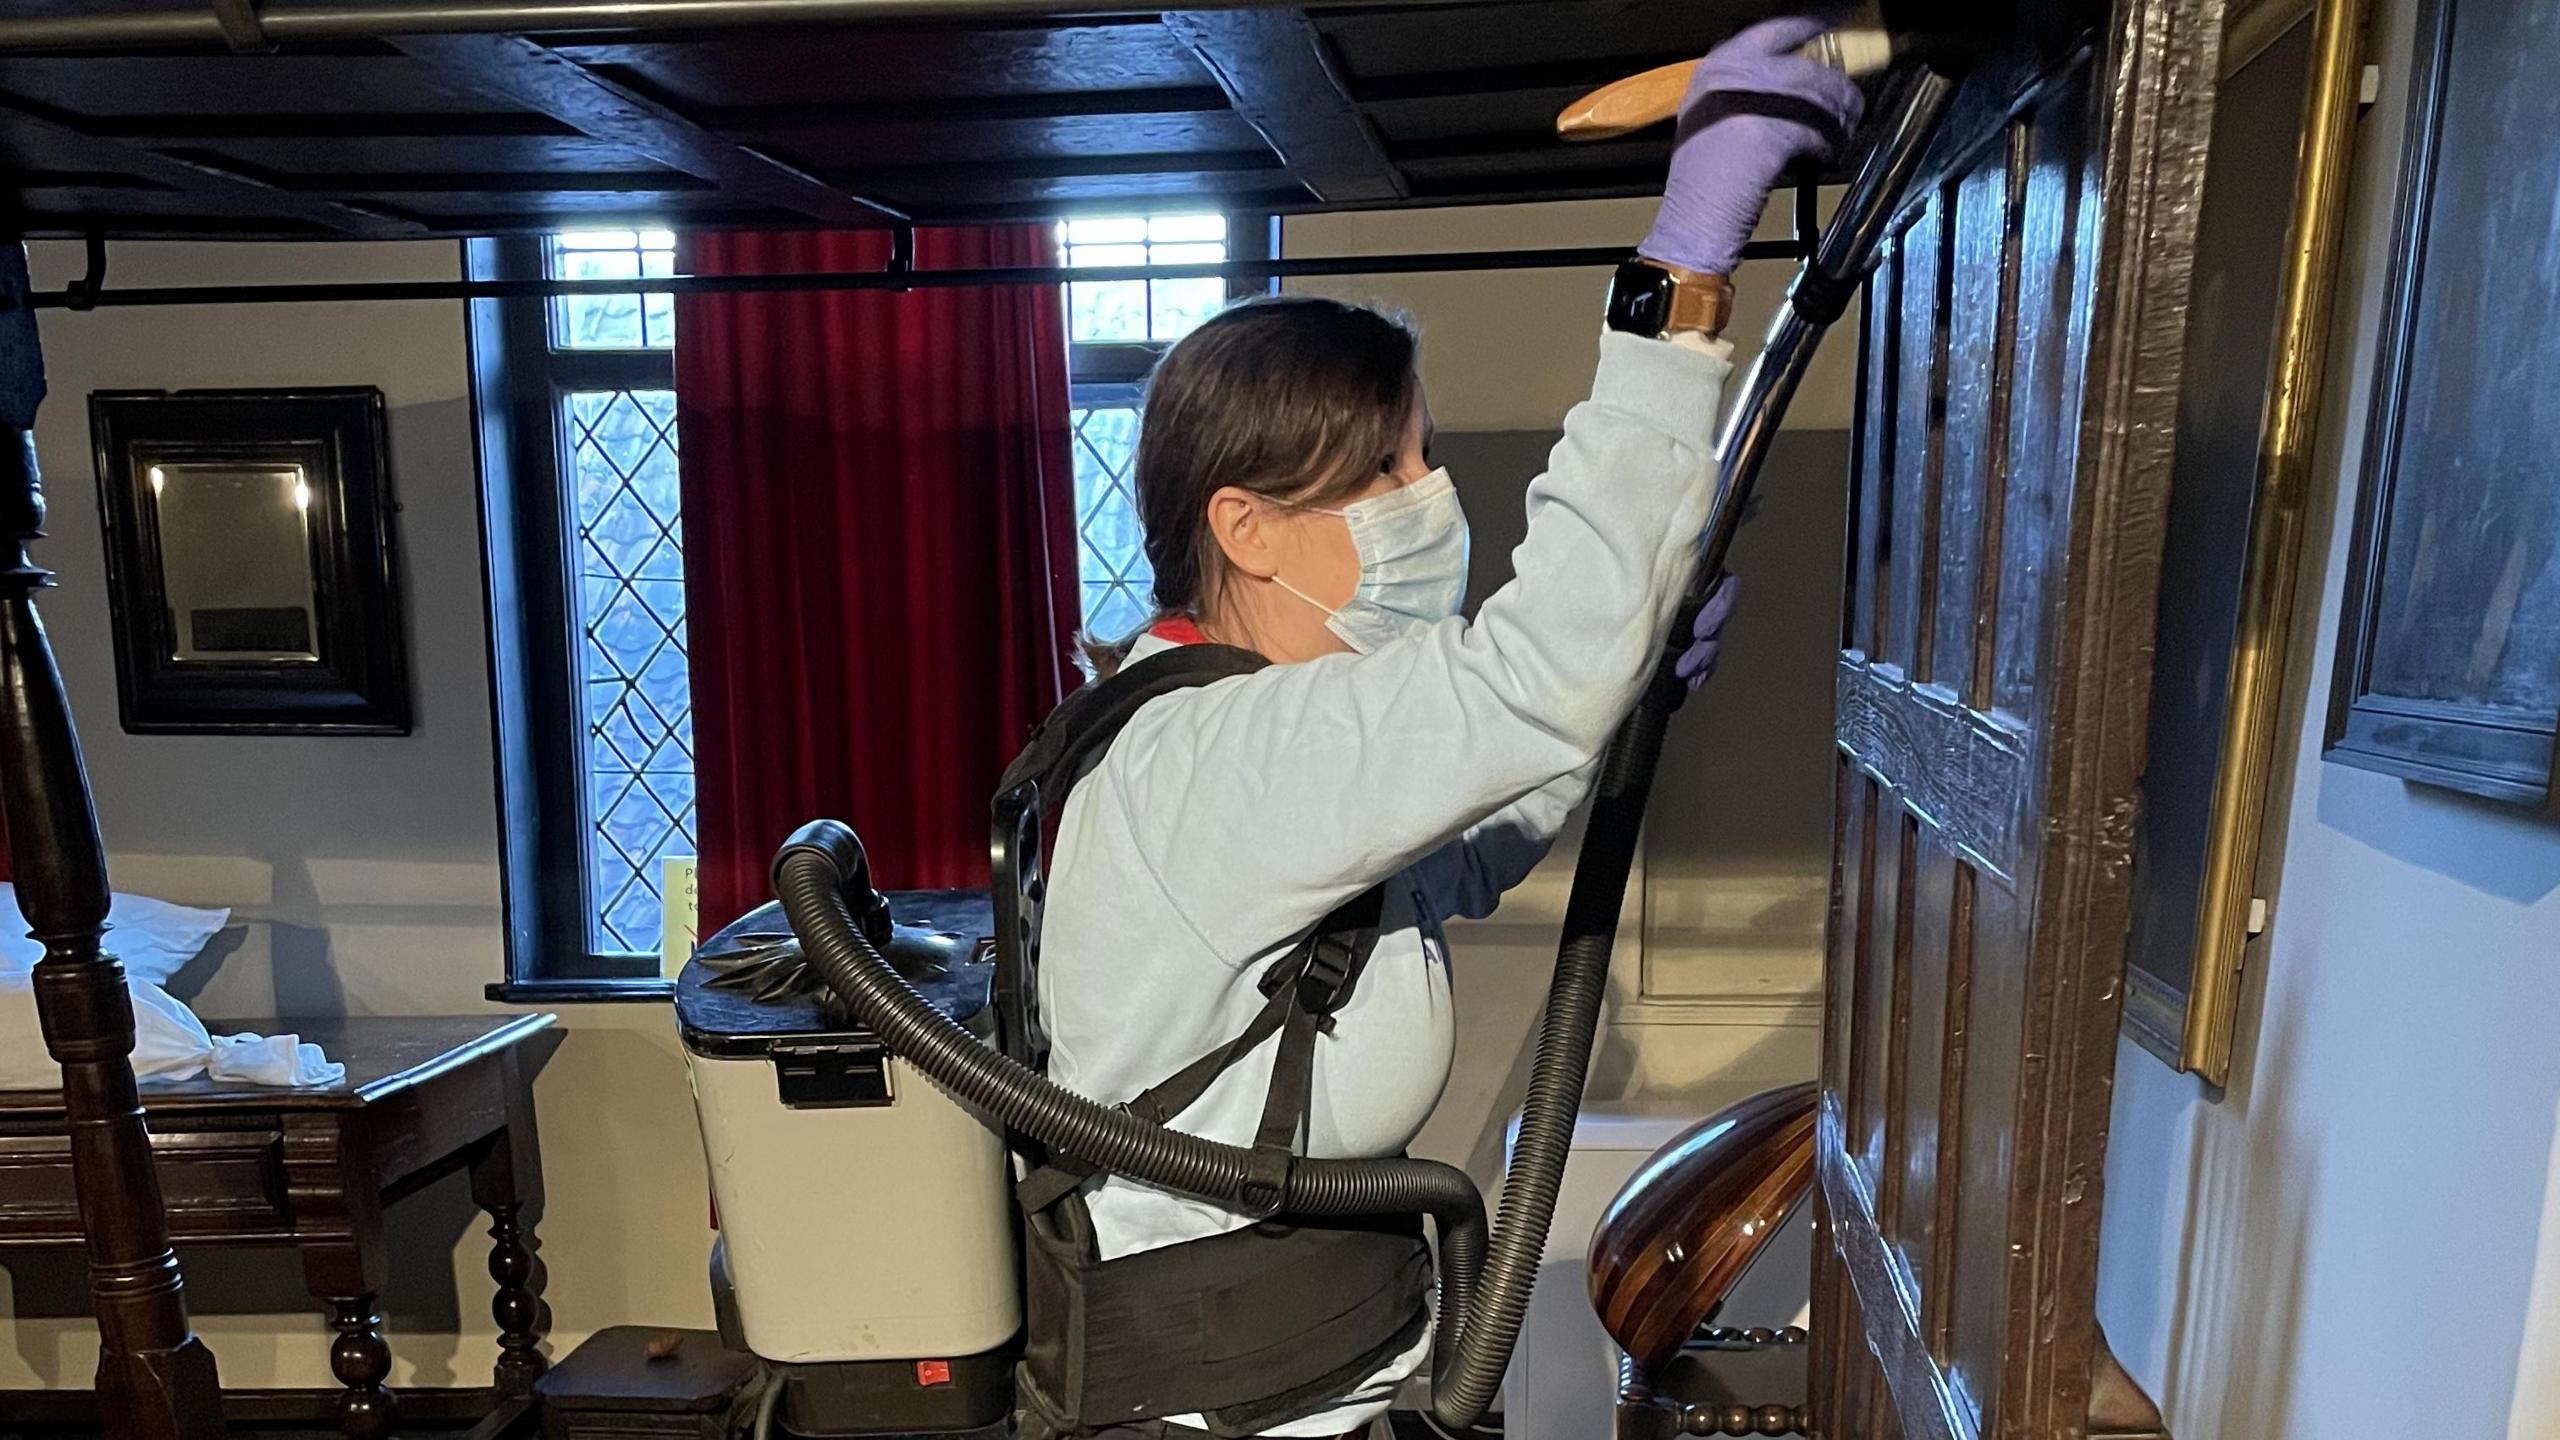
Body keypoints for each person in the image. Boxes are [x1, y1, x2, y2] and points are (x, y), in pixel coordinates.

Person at [1028, 16, 1866, 1440]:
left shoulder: (1254, 737)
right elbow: (1528, 673)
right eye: (1390, 469)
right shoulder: (1218, 754)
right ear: (1246, 527)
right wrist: (1682, 268)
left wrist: (1616, 710)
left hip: (1317, 1380)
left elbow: (1452, 861)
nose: (1433, 492)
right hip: (1234, 1409)